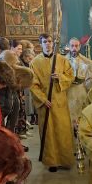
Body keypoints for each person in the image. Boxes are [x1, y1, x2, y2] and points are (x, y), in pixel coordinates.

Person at [30, 33, 75, 172]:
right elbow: (33, 84)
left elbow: (71, 76)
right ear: (41, 44)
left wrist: (60, 77)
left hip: (60, 101)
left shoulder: (61, 60)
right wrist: (43, 99)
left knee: (63, 132)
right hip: (46, 103)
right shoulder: (35, 62)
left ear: (53, 43)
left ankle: (65, 159)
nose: (48, 44)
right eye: (45, 42)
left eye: (50, 41)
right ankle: (52, 161)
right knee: (49, 133)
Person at [66, 37, 92, 127]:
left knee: (82, 114)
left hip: (81, 90)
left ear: (79, 47)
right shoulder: (62, 61)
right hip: (68, 91)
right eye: (72, 46)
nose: (74, 48)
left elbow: (90, 79)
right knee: (69, 115)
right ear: (69, 46)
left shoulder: (87, 62)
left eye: (76, 46)